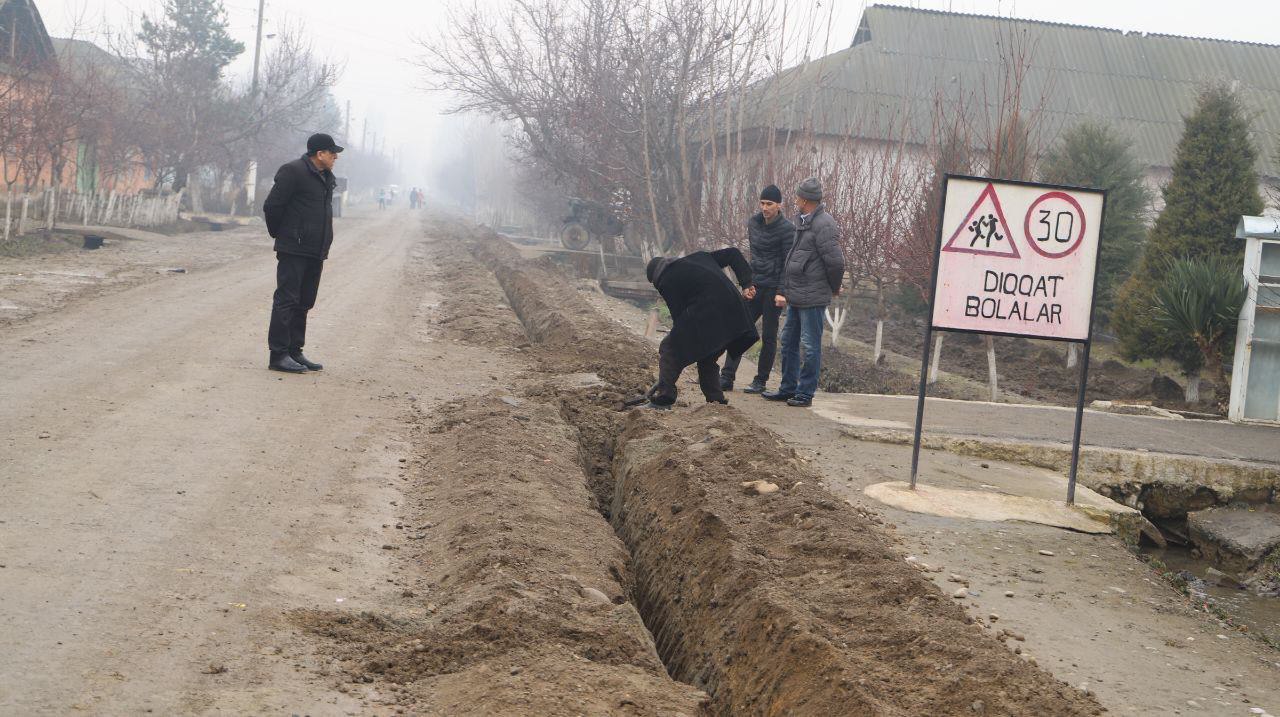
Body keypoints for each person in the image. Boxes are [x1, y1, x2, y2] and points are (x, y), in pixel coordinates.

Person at [262, 133, 343, 374]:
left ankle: (295, 351)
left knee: (305, 301)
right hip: (294, 248)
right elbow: (272, 206)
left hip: (315, 249)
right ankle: (278, 355)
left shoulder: (326, 177)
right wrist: (283, 235)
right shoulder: (293, 171)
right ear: (320, 154)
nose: (335, 156)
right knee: (287, 299)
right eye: (332, 152)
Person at [764, 177, 845, 407]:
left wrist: (834, 287)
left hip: (813, 295)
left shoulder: (824, 224)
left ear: (806, 199)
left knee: (810, 346)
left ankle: (805, 392)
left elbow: (836, 262)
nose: (795, 199)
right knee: (788, 341)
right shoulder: (802, 220)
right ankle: (788, 387)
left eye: (798, 196)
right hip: (797, 294)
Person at [646, 248, 758, 408]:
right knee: (708, 356)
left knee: (669, 348)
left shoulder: (665, 280)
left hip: (711, 315)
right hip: (736, 314)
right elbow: (733, 254)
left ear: (655, 279)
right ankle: (716, 401)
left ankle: (664, 398)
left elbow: (679, 319)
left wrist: (671, 370)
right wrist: (747, 283)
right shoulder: (698, 257)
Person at [719, 184, 795, 394]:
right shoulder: (753, 223)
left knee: (769, 336)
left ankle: (760, 380)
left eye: (769, 204)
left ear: (779, 205)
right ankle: (726, 377)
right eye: (762, 203)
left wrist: (782, 292)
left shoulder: (788, 230)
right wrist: (747, 284)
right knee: (738, 329)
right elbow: (754, 256)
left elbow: (787, 264)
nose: (765, 207)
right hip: (755, 285)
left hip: (773, 289)